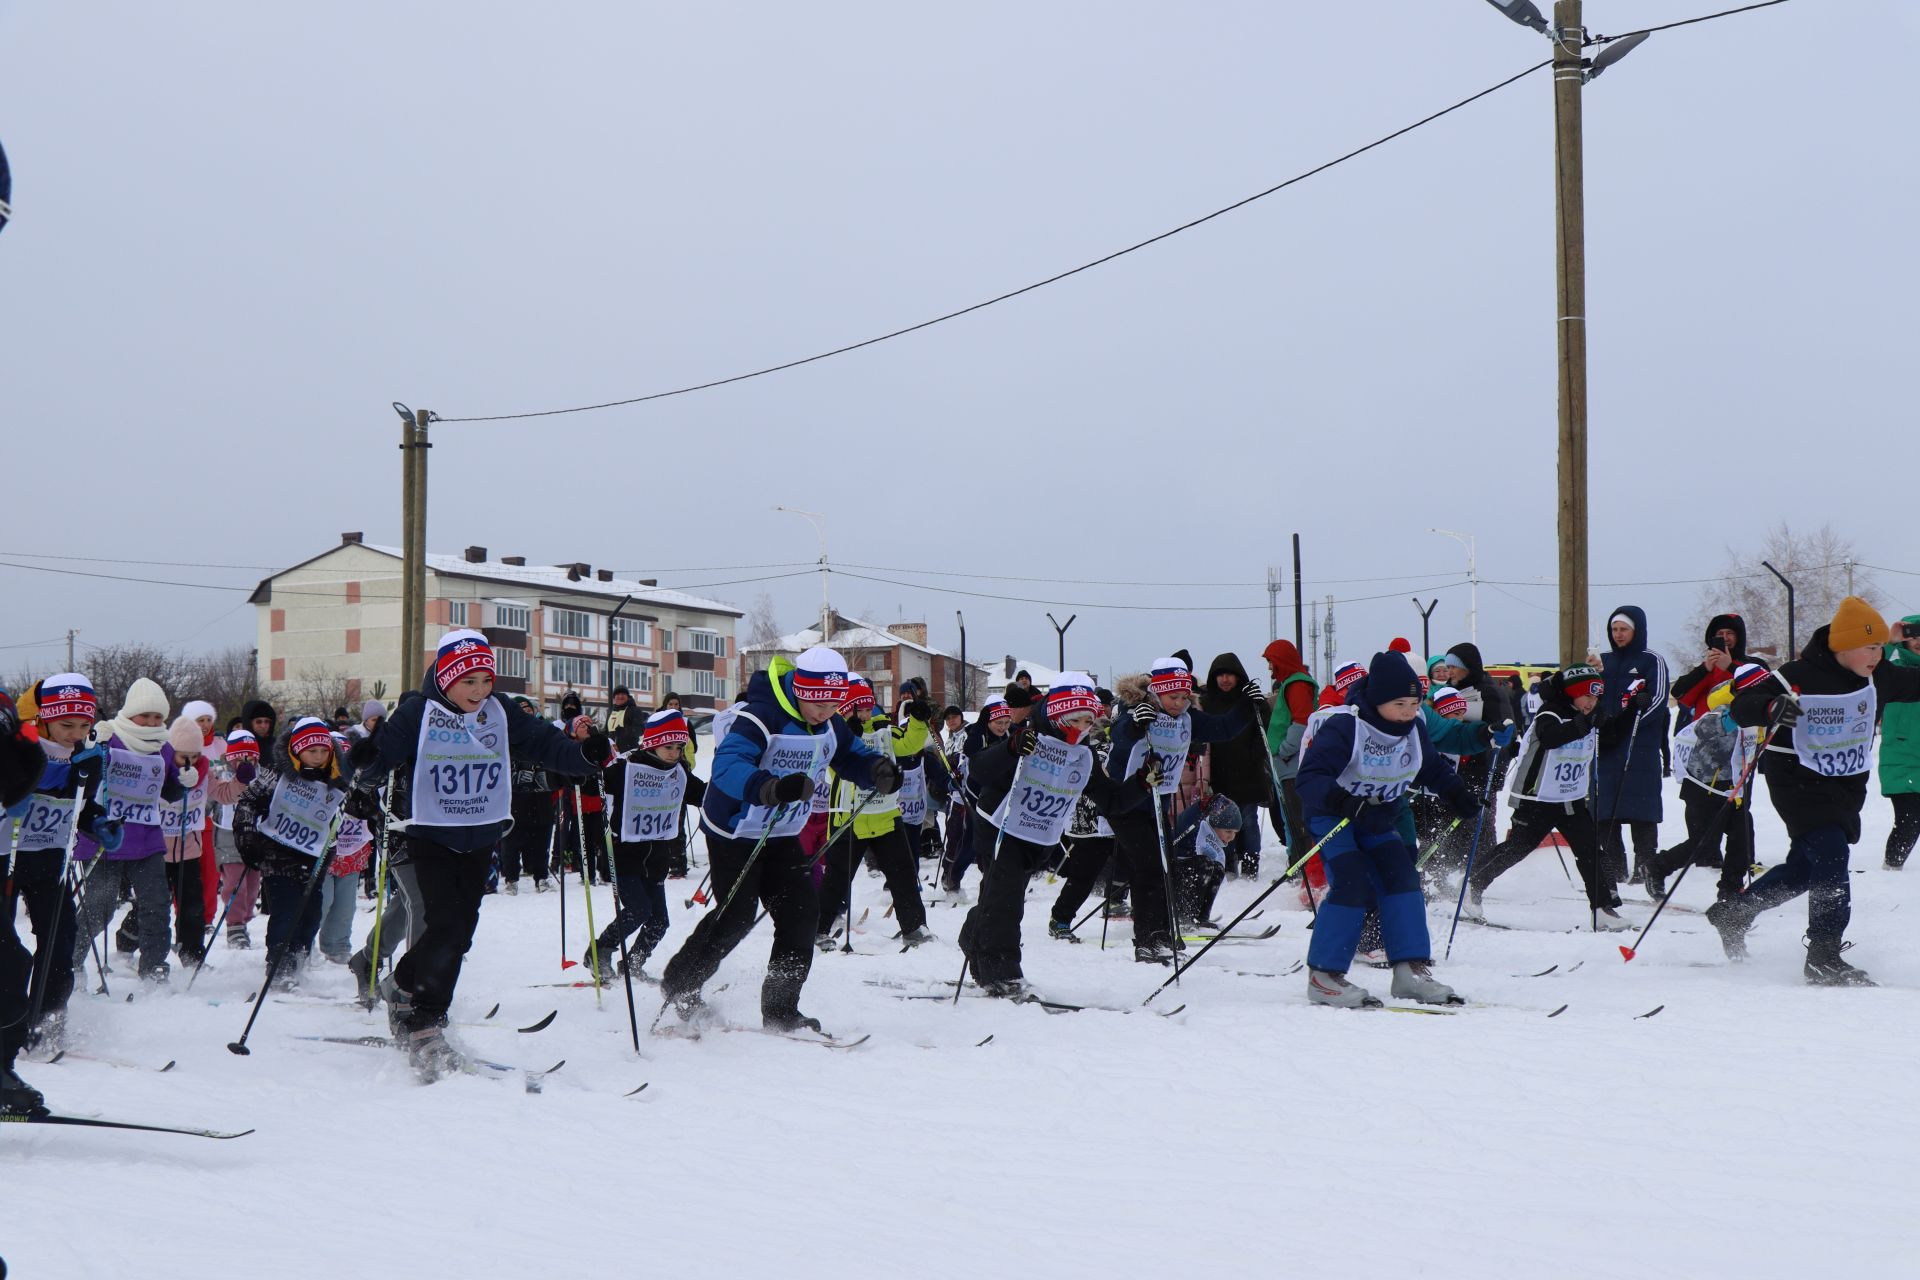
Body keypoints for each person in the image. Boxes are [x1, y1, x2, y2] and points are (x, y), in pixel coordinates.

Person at [347, 630, 610, 1077]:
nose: (479, 691)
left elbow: (546, 744)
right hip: (431, 832)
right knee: (444, 925)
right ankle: (427, 1020)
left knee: (460, 934)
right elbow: (381, 759)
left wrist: (584, 756)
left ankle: (403, 986)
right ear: (447, 679)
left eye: (486, 680)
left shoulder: (500, 711)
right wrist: (367, 758)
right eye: (469, 681)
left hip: (482, 833)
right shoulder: (419, 712)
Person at [657, 646, 895, 1033]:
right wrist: (766, 787)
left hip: (781, 830)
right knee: (736, 916)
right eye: (818, 703)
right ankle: (681, 985)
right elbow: (728, 765)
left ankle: (781, 1010)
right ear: (800, 690)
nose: (825, 712)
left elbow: (850, 756)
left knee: (802, 913)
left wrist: (876, 770)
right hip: (735, 829)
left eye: (834, 704)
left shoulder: (831, 723)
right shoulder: (760, 716)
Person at [1708, 602, 1920, 985]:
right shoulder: (1797, 675)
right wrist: (1772, 706)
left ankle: (1736, 912)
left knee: (1807, 867)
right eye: (1868, 648)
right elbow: (1743, 706)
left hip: (1843, 783)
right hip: (1795, 778)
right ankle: (1824, 953)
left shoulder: (1877, 676)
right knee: (1831, 852)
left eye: (1879, 649)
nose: (1876, 656)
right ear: (1842, 647)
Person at [1296, 650, 1476, 1007]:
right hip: (1334, 815)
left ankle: (1410, 971)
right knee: (1353, 881)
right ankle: (1324, 975)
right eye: (1400, 704)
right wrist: (1344, 801)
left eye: (1415, 703)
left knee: (1403, 878)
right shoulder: (1347, 726)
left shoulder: (1414, 728)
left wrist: (1457, 793)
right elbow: (1309, 778)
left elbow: (1432, 768)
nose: (1409, 712)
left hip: (1377, 816)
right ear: (1378, 701)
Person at [958, 673, 1150, 995]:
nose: (1083, 728)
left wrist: (1142, 783)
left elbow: (1112, 800)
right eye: (1075, 720)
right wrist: (1011, 749)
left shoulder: (1082, 755)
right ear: (1058, 716)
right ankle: (1001, 973)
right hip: (1000, 826)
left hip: (1038, 836)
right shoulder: (1030, 737)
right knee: (1006, 904)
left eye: (1089, 721)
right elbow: (979, 770)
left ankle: (974, 936)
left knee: (1000, 897)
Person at [1106, 657, 1263, 964]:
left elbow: (1223, 728)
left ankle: (1162, 933)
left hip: (1158, 801)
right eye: (1171, 697)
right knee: (1149, 866)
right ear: (1156, 693)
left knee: (1162, 866)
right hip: (1126, 801)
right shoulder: (1139, 709)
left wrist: (1248, 705)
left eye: (1183, 697)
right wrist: (1137, 722)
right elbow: (1121, 735)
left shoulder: (1189, 717)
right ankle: (1148, 939)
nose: (1178, 703)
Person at [6, 676, 120, 1061]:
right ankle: (10, 1020)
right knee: (8, 949)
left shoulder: (86, 757)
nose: (75, 734)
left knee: (60, 938)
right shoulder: (19, 745)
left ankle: (48, 1019)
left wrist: (99, 822)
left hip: (49, 861)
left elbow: (81, 807)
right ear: (44, 719)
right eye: (66, 725)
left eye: (84, 725)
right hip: (7, 858)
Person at [1464, 665, 1627, 929]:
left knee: (1589, 849)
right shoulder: (1551, 711)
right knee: (1517, 848)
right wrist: (1585, 723)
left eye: (1596, 698)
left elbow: (1612, 737)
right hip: (1537, 797)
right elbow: (1551, 737)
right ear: (1573, 693)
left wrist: (1631, 710)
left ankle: (1602, 908)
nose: (1591, 702)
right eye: (1587, 696)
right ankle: (1474, 883)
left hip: (1571, 797)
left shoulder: (1589, 712)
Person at [71, 677, 192, 983]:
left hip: (147, 839)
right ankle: (69, 963)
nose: (151, 722)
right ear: (130, 713)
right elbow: (82, 771)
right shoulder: (110, 736)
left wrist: (183, 782)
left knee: (157, 904)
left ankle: (154, 967)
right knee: (100, 906)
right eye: (145, 715)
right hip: (106, 837)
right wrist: (94, 744)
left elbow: (169, 791)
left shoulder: (163, 747)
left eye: (157, 717)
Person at [815, 677, 934, 950]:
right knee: (837, 878)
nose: (866, 715)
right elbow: (833, 769)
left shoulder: (884, 731)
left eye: (869, 709)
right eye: (860, 710)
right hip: (849, 817)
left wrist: (917, 721)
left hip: (886, 816)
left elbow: (909, 745)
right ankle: (819, 928)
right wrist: (850, 736)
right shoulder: (836, 735)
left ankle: (914, 927)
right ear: (845, 710)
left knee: (903, 873)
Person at [589, 708, 705, 981]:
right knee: (638, 910)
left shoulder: (678, 772)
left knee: (659, 922)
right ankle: (600, 951)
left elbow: (703, 795)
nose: (674, 753)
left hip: (656, 856)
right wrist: (589, 767)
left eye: (679, 747)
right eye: (669, 746)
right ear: (652, 742)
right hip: (625, 853)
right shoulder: (628, 767)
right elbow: (594, 783)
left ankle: (632, 964)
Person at [234, 717, 350, 988]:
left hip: (315, 855)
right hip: (278, 852)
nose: (319, 757)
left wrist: (364, 809)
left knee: (311, 914)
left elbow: (355, 802)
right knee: (286, 911)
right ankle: (279, 964)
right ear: (297, 750)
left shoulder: (335, 776)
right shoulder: (277, 773)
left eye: (324, 752)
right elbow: (248, 802)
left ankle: (298, 957)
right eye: (312, 752)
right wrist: (247, 838)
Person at [1644, 661, 1774, 902]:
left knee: (1742, 843)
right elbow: (1704, 728)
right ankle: (1657, 867)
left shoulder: (1761, 714)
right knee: (1703, 846)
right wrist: (1733, 719)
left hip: (1734, 790)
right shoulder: (1723, 710)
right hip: (1704, 789)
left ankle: (1730, 891)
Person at [1592, 606, 1669, 885]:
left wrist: (1626, 726)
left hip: (1640, 749)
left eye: (1624, 629)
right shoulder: (1603, 661)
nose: (1619, 634)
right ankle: (1614, 866)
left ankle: (1646, 866)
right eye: (1614, 629)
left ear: (1636, 631)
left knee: (1642, 810)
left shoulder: (1651, 660)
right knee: (1605, 809)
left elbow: (1659, 699)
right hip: (1606, 750)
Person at [1198, 653, 1271, 876]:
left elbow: (1264, 730)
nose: (1225, 679)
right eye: (1220, 675)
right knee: (1221, 821)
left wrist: (1254, 755)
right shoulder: (1207, 702)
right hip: (1219, 772)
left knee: (1248, 820)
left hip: (1248, 772)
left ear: (1239, 676)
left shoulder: (1250, 701)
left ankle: (1250, 863)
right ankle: (1227, 863)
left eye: (1230, 674)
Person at [1261, 639, 1319, 869]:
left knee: (1297, 822)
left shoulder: (1296, 685)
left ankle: (1301, 869)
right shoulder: (1290, 684)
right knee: (1291, 821)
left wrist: (1283, 751)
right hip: (1286, 765)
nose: (1269, 668)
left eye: (1271, 662)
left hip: (1292, 765)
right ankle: (1296, 867)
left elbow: (1301, 722)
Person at [213, 726, 264, 948]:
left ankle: (244, 920)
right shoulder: (222, 774)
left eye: (251, 758)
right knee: (235, 883)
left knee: (253, 886)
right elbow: (212, 797)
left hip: (254, 836)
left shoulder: (263, 776)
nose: (245, 763)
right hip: (227, 835)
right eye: (239, 758)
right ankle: (234, 925)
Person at [502, 694, 556, 894]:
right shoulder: (507, 735)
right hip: (516, 795)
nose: (525, 711)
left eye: (528, 708)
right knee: (513, 841)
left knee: (542, 841)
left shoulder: (543, 733)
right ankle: (511, 878)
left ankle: (541, 877)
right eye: (520, 708)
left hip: (541, 794)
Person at [1878, 614, 1920, 870]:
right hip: (1901, 757)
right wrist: (1891, 641)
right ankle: (1891, 870)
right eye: (1913, 636)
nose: (1918, 642)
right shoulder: (1892, 667)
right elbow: (1876, 666)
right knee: (1909, 820)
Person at [1170, 795, 1241, 930]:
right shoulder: (1197, 828)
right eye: (1228, 831)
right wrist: (1200, 806)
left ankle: (1201, 917)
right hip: (1171, 877)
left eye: (1235, 833)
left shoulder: (1213, 840)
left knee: (1217, 868)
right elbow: (1183, 822)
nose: (1231, 837)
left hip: (1186, 875)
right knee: (1205, 864)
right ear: (1214, 826)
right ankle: (1183, 917)